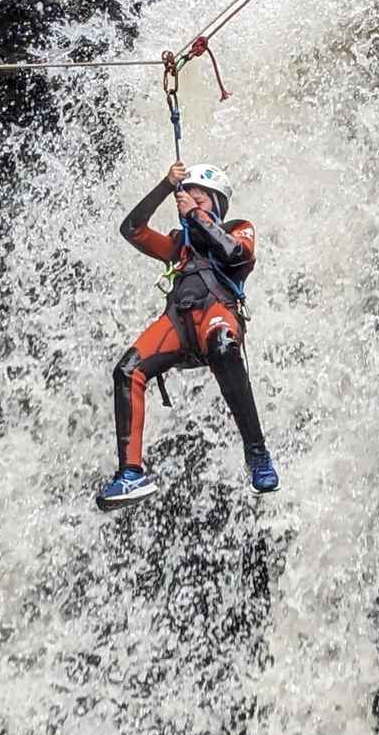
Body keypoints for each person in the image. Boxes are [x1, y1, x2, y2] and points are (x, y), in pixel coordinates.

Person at [96, 161, 279, 510]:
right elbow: (132, 229)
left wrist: (196, 214)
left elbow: (233, 253)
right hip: (178, 325)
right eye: (188, 196)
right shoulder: (177, 246)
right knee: (126, 370)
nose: (191, 201)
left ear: (218, 205)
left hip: (217, 315)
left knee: (224, 347)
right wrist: (166, 185)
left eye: (202, 198)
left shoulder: (239, 228)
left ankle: (257, 454)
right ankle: (130, 474)